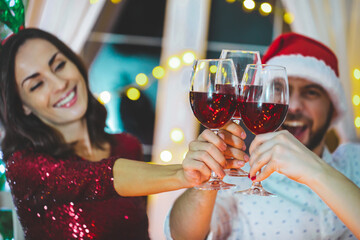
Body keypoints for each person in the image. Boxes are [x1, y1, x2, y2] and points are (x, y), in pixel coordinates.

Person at [0, 28, 248, 239]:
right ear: (21, 104)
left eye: (59, 65)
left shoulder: (127, 146)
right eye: (36, 84)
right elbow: (97, 178)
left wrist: (208, 170)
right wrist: (185, 172)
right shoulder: (24, 166)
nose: (59, 83)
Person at [166, 32, 360, 239]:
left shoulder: (355, 161)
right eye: (278, 88)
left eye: (311, 92)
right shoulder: (237, 174)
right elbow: (182, 236)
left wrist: (315, 170)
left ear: (332, 107)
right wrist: (204, 179)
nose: (293, 106)